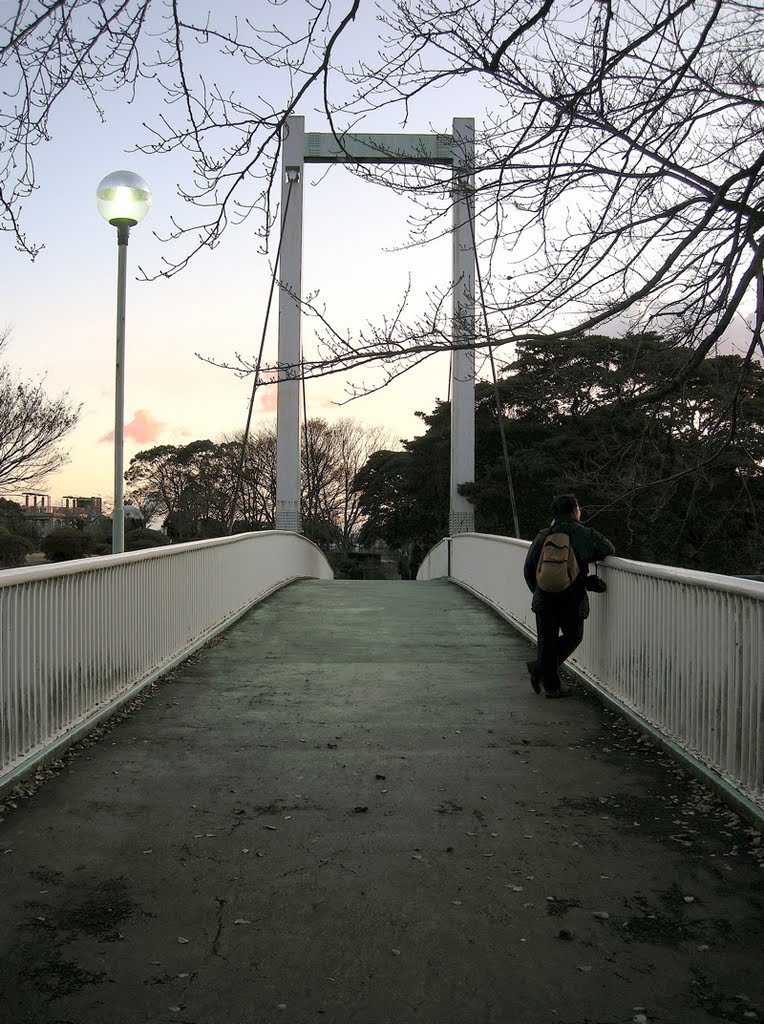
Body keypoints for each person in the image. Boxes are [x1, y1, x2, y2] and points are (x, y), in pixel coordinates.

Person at [523, 494, 614, 698]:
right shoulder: (583, 533)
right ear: (575, 510)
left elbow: (528, 569)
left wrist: (540, 590)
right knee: (573, 636)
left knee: (547, 641)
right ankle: (540, 671)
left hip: (544, 599)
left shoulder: (543, 536)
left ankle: (550, 683)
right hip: (571, 599)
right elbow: (608, 548)